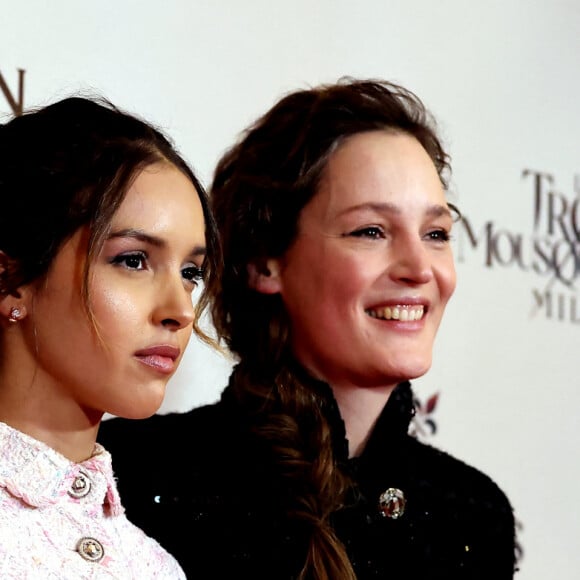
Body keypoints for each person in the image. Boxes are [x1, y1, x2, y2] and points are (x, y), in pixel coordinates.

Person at [99, 78, 517, 579]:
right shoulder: (131, 472)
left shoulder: (472, 513)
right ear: (265, 262)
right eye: (371, 231)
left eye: (436, 234)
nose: (420, 268)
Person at [0, 95, 220, 578]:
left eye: (190, 273)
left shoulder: (155, 566)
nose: (180, 310)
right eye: (133, 260)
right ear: (11, 279)